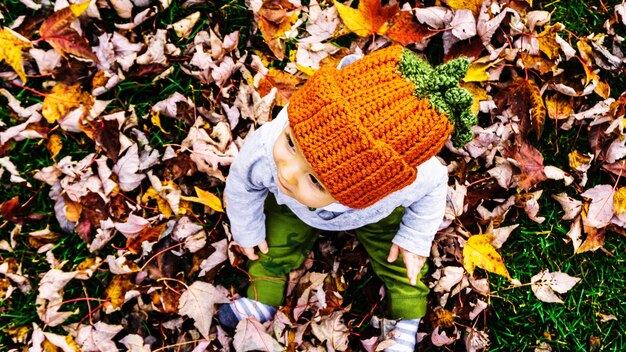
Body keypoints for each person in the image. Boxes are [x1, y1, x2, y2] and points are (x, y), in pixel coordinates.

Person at [218, 45, 476, 352]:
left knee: (399, 258)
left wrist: (414, 238)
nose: (287, 172)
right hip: (293, 207)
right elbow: (242, 186)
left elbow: (437, 185)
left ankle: (406, 315)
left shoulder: (406, 183)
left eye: (314, 178)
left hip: (373, 213)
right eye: (291, 144)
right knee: (270, 239)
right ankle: (264, 291)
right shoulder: (267, 149)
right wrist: (247, 229)